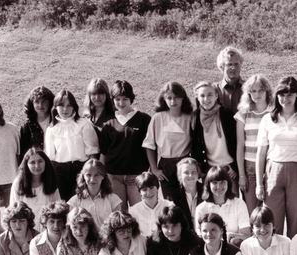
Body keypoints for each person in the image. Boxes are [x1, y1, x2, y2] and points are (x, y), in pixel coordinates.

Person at [255, 77, 297, 238]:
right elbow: (261, 153)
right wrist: (259, 184)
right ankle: (274, 252)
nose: (286, 99)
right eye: (282, 95)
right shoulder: (268, 119)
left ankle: (296, 252)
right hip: (274, 172)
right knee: (272, 220)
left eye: (290, 95)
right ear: (277, 96)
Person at [100, 80, 151, 211]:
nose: (121, 103)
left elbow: (150, 147)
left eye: (125, 99)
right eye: (117, 99)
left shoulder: (144, 120)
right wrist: (102, 174)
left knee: (139, 212)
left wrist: (151, 170)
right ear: (112, 100)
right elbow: (103, 152)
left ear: (131, 99)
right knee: (119, 214)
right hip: (114, 176)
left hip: (136, 175)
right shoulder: (108, 122)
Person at [44, 89, 100, 200]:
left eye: (69, 105)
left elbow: (92, 151)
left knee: (80, 200)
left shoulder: (83, 124)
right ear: (55, 107)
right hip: (59, 171)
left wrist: (89, 172)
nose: (65, 109)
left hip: (81, 169)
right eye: (61, 105)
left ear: (74, 107)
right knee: (63, 202)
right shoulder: (51, 129)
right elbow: (50, 156)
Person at [143, 81, 194, 202]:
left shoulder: (190, 117)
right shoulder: (158, 118)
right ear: (164, 99)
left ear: (183, 98)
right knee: (171, 202)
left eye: (176, 97)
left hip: (185, 163)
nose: (173, 101)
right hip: (166, 165)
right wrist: (154, 169)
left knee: (188, 199)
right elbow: (149, 145)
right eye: (169, 98)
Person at [235, 74, 274, 214]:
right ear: (248, 93)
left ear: (267, 91)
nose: (257, 94)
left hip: (270, 165)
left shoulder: (274, 112)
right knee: (252, 212)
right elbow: (240, 145)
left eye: (261, 90)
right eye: (253, 91)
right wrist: (241, 175)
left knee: (270, 212)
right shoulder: (243, 113)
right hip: (250, 167)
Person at [191, 81, 238, 182]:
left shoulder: (227, 114)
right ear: (197, 97)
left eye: (210, 95)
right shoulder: (195, 117)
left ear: (216, 95)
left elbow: (237, 141)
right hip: (209, 170)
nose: (206, 99)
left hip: (230, 168)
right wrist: (202, 170)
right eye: (202, 96)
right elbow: (195, 146)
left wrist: (235, 167)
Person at [194, 165, 250, 247]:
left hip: (234, 248)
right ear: (208, 185)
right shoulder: (201, 209)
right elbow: (201, 236)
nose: (219, 186)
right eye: (215, 183)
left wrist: (231, 236)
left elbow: (246, 235)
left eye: (222, 182)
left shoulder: (239, 204)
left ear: (228, 184)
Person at [10, 148, 60, 230]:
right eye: (32, 162)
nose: (37, 166)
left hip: (46, 230)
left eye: (40, 161)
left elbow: (57, 210)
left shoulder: (51, 182)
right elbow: (13, 211)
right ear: (26, 164)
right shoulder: (18, 184)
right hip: (25, 231)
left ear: (45, 162)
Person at [67, 159, 122, 230]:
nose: (92, 179)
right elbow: (71, 227)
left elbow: (118, 226)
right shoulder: (74, 201)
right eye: (88, 175)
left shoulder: (113, 200)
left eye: (96, 175)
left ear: (103, 176)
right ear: (83, 176)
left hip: (107, 236)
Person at [129, 172, 174, 238]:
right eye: (144, 190)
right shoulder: (133, 211)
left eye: (151, 187)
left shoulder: (169, 206)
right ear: (140, 192)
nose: (149, 192)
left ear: (157, 187)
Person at [18, 86, 55, 163]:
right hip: (37, 165)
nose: (40, 105)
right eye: (37, 102)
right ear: (32, 103)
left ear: (50, 102)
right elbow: (23, 151)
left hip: (55, 163)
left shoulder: (56, 121)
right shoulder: (27, 126)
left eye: (44, 101)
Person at [171, 157, 204, 229]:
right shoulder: (174, 196)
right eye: (186, 172)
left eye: (193, 172)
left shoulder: (206, 191)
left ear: (198, 174)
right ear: (180, 175)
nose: (190, 175)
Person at [213, 46, 244, 114]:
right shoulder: (214, 90)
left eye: (236, 64)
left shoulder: (249, 88)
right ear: (222, 67)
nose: (233, 68)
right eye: (229, 64)